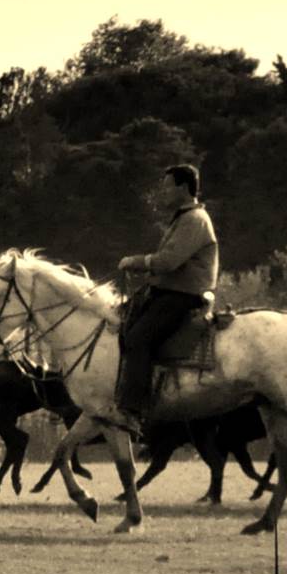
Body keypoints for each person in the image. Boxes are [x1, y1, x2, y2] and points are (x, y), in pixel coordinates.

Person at [113, 163, 219, 429]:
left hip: (183, 296)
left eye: (167, 187)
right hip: (171, 292)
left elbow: (168, 261)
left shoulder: (194, 219)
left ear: (183, 188)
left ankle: (134, 409)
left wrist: (135, 262)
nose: (163, 192)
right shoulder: (185, 218)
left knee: (138, 337)